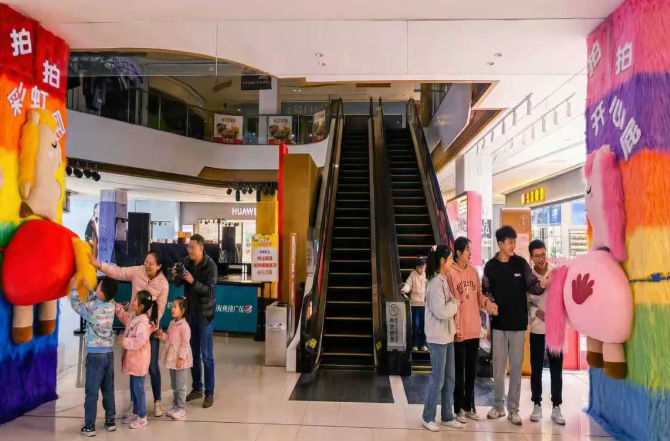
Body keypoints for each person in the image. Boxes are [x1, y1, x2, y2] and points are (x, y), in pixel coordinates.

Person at [483, 226, 549, 425]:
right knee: (498, 369)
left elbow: (532, 285)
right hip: (499, 325)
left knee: (516, 368)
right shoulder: (490, 266)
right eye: (510, 242)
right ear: (500, 244)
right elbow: (485, 290)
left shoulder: (521, 263)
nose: (513, 245)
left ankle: (514, 409)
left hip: (519, 325)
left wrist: (542, 284)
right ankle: (498, 406)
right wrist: (489, 302)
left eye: (514, 241)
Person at [90, 251, 169, 417]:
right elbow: (118, 272)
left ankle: (157, 401)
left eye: (151, 263)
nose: (147, 265)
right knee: (134, 368)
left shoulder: (163, 284)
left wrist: (147, 328)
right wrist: (99, 265)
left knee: (152, 367)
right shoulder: (138, 271)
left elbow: (160, 311)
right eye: (146, 261)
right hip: (133, 326)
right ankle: (135, 405)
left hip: (149, 329)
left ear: (159, 266)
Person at [447, 237, 498, 424]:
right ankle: (458, 408)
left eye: (471, 249)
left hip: (474, 330)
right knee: (458, 372)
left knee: (471, 371)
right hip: (458, 332)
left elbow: (478, 296)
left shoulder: (474, 272)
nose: (470, 253)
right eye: (468, 249)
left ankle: (469, 406)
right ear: (458, 252)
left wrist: (487, 304)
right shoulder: (449, 274)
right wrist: (456, 327)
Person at [69, 276, 119, 437]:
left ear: (102, 294)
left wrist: (74, 288)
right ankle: (110, 420)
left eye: (98, 287)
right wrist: (90, 290)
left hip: (95, 355)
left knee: (91, 391)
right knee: (108, 389)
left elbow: (77, 305)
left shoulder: (92, 308)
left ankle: (90, 425)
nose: (96, 287)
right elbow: (98, 301)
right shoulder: (111, 305)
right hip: (109, 354)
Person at [173, 234, 218, 408]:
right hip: (190, 314)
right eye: (188, 248)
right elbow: (178, 284)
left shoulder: (210, 266)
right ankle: (197, 388)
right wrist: (176, 275)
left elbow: (210, 291)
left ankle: (209, 392)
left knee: (207, 356)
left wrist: (193, 281)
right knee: (193, 354)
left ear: (201, 247)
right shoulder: (187, 262)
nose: (189, 251)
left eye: (192, 247)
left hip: (205, 316)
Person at [421, 245, 463, 432]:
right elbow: (442, 311)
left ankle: (447, 415)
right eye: (451, 258)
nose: (452, 261)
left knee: (449, 377)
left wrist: (452, 304)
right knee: (438, 379)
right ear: (442, 261)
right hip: (437, 338)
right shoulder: (434, 283)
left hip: (447, 336)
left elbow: (450, 303)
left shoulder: (443, 279)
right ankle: (427, 416)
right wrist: (455, 305)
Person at [528, 239, 565, 425]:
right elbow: (526, 304)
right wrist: (535, 312)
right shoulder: (529, 277)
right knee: (536, 369)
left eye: (543, 254)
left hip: (555, 329)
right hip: (537, 329)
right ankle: (537, 404)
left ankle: (556, 406)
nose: (541, 259)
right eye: (537, 256)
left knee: (556, 369)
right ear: (531, 257)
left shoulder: (556, 273)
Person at [115, 290, 157, 429]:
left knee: (138, 390)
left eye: (135, 300)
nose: (133, 301)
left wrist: (125, 342)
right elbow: (125, 318)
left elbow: (139, 341)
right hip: (134, 361)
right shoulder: (134, 316)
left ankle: (142, 416)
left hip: (139, 361)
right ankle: (135, 412)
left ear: (141, 306)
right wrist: (117, 307)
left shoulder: (143, 323)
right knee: (134, 388)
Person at [155, 297, 193, 420]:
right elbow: (169, 338)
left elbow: (185, 344)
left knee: (180, 385)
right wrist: (162, 335)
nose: (172, 309)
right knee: (174, 384)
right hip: (172, 358)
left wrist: (181, 358)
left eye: (175, 307)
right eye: (172, 306)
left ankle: (181, 408)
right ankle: (176, 406)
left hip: (180, 360)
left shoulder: (185, 326)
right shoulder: (172, 323)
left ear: (183, 310)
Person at [402, 257, 428, 352]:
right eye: (421, 267)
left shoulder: (426, 275)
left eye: (424, 267)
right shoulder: (412, 275)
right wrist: (405, 289)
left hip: (424, 305)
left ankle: (423, 344)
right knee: (416, 326)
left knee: (424, 326)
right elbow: (408, 284)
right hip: (415, 305)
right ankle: (415, 344)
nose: (422, 269)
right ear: (416, 267)